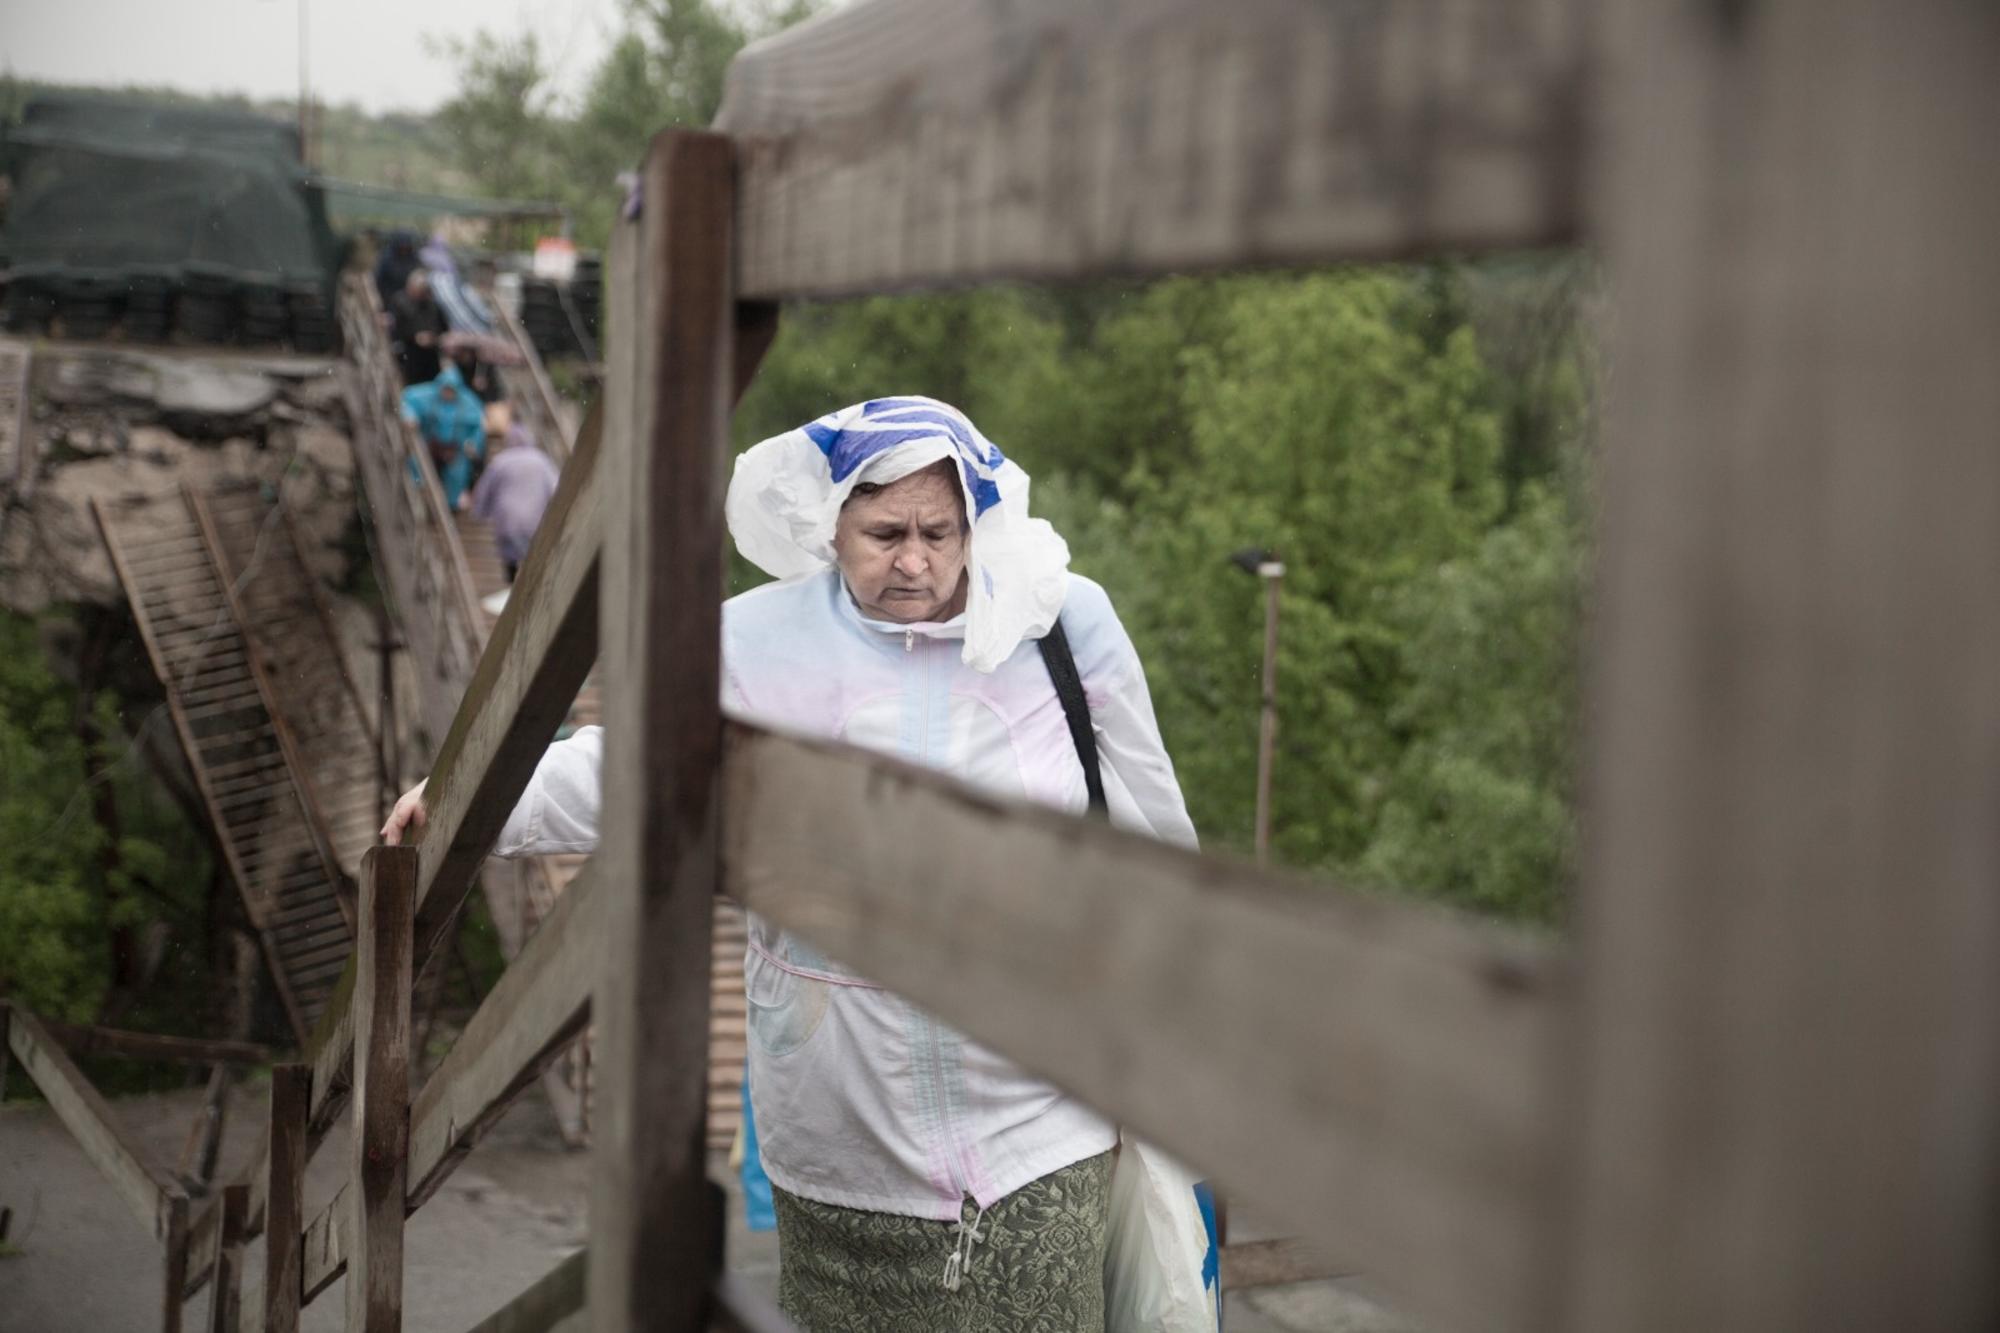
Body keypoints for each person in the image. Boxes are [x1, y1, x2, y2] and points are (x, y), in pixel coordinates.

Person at [382, 397, 1196, 1331]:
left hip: (1039, 1121)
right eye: (885, 532)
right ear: (830, 523)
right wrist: (469, 808)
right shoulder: (760, 642)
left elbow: (1151, 824)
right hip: (841, 1137)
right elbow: (634, 758)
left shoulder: (1061, 623)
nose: (917, 560)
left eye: (941, 530)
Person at [470, 404, 560, 581]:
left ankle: (510, 586)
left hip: (507, 521)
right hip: (535, 520)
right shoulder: (540, 460)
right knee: (533, 558)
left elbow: (484, 490)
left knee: (510, 558)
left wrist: (478, 513)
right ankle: (530, 587)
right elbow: (556, 488)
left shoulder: (500, 461)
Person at [398, 363, 486, 511]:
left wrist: (474, 443)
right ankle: (417, 493)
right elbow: (406, 400)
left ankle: (451, 506)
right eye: (445, 389)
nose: (448, 393)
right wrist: (409, 416)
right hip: (429, 442)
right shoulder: (425, 395)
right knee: (417, 463)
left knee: (457, 473)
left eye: (452, 390)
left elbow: (478, 425)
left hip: (454, 447)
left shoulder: (469, 402)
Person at [388, 269, 447, 386]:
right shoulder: (400, 301)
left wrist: (433, 337)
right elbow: (396, 328)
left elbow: (442, 326)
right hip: (408, 353)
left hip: (430, 356)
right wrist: (414, 336)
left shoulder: (432, 305)